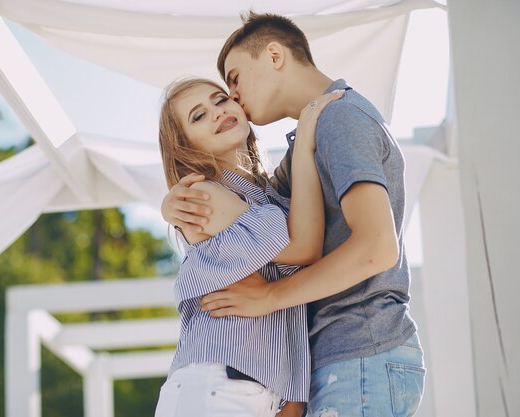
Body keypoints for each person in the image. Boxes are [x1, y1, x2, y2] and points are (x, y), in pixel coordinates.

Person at [161, 12, 426, 417]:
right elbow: (297, 234)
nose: (231, 100)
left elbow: (376, 247)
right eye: (201, 113)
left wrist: (269, 297)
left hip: (357, 346)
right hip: (241, 384)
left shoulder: (338, 118)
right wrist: (170, 204)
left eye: (231, 83)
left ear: (273, 55)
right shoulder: (264, 183)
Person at [154, 77, 342, 417]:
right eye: (198, 115)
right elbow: (303, 247)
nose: (216, 112)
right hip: (216, 386)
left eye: (220, 99)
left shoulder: (265, 194)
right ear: (185, 146)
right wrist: (304, 144)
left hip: (252, 393)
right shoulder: (202, 194)